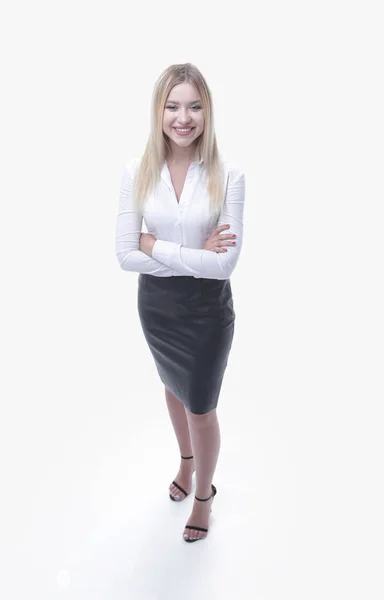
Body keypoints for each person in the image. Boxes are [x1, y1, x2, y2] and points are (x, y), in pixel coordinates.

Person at [115, 62, 245, 543]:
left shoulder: (229, 175)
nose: (183, 117)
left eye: (193, 106)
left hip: (207, 313)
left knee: (200, 406)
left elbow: (223, 266)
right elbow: (125, 255)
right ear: (158, 112)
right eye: (172, 106)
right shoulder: (137, 172)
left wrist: (155, 247)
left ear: (207, 112)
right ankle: (186, 465)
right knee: (172, 387)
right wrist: (191, 254)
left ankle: (204, 494)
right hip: (158, 309)